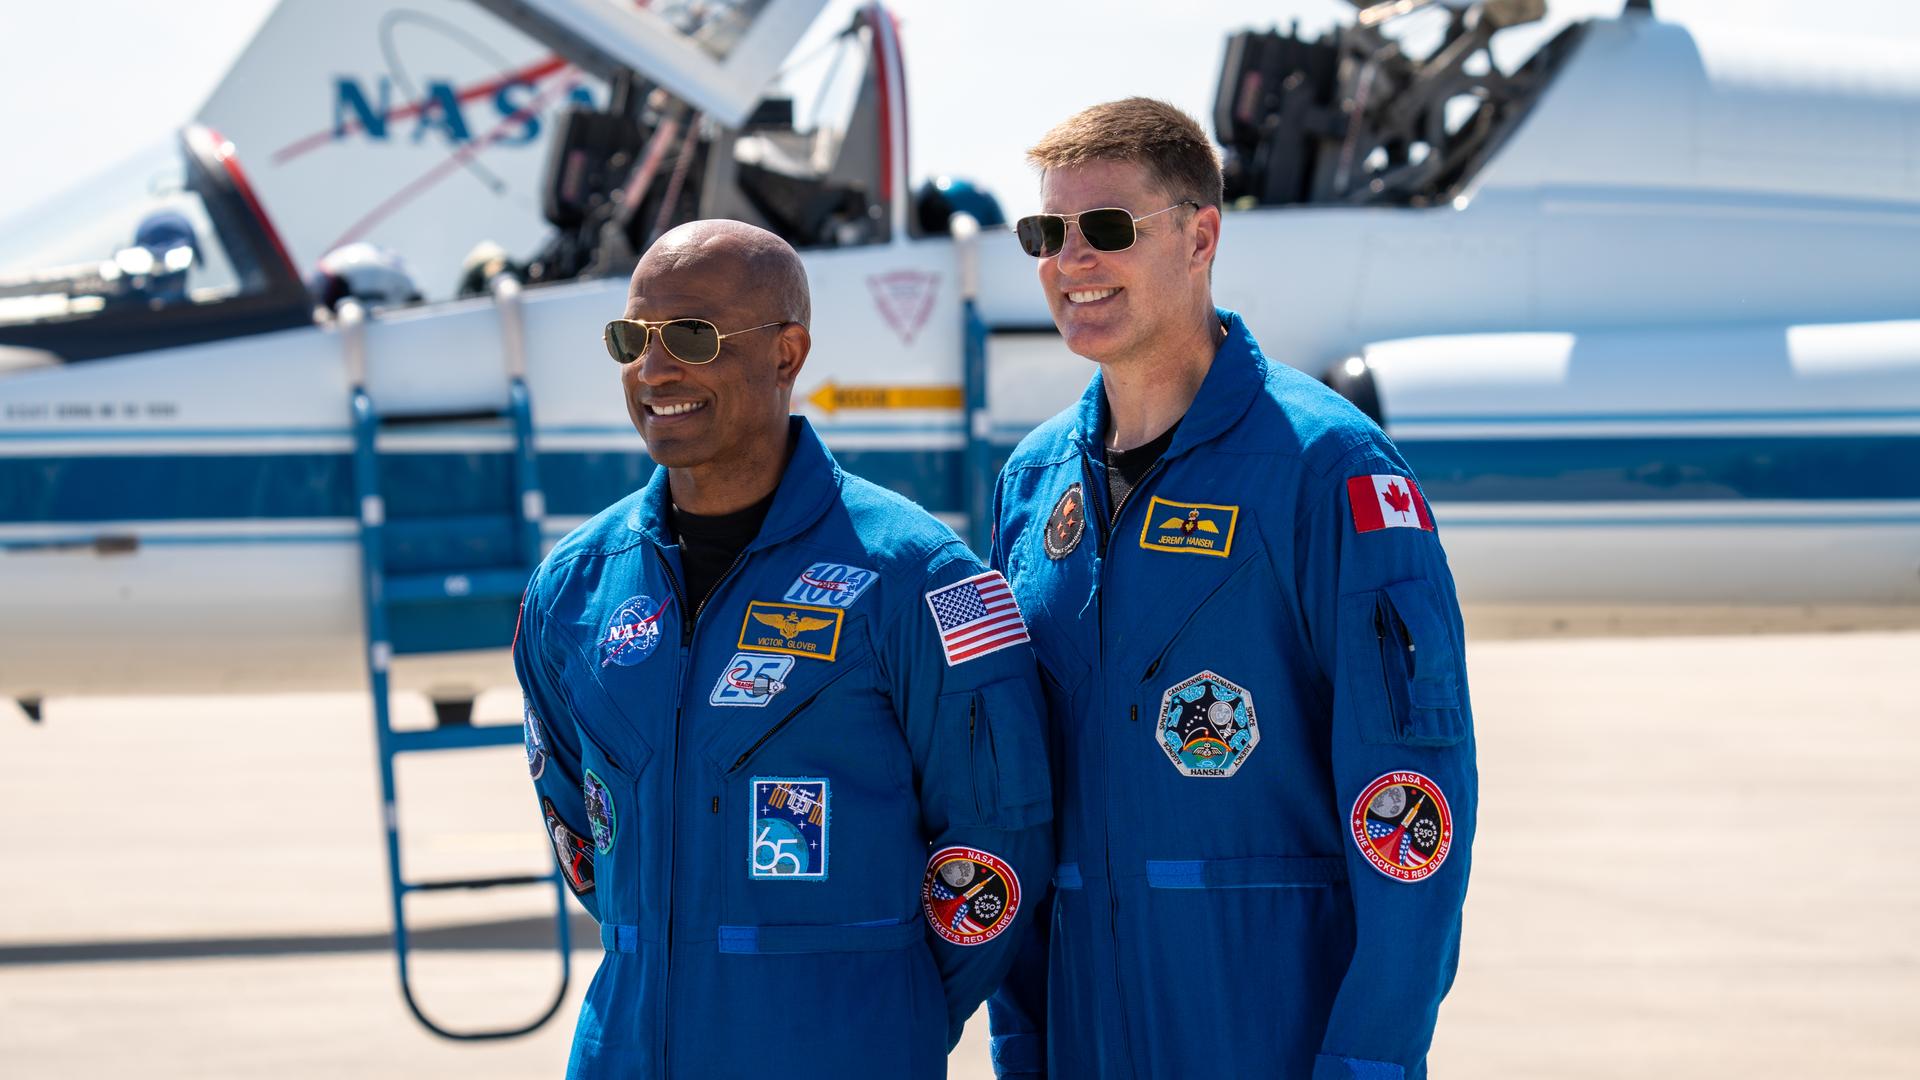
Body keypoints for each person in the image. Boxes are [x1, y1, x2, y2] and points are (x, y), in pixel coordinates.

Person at [984, 98, 1477, 1080]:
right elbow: (1011, 801)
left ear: (1200, 236)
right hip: (1085, 1037)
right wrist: (1023, 1041)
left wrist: (1368, 1063)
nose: (1071, 260)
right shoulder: (1031, 486)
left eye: (1106, 228)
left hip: (1274, 1037)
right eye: (1046, 232)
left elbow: (1411, 806)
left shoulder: (1325, 468)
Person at [514, 219, 1053, 1077]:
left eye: (691, 337)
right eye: (632, 339)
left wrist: (877, 1010)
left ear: (786, 353)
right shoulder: (573, 589)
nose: (653, 370)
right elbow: (585, 836)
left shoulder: (919, 579)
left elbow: (998, 843)